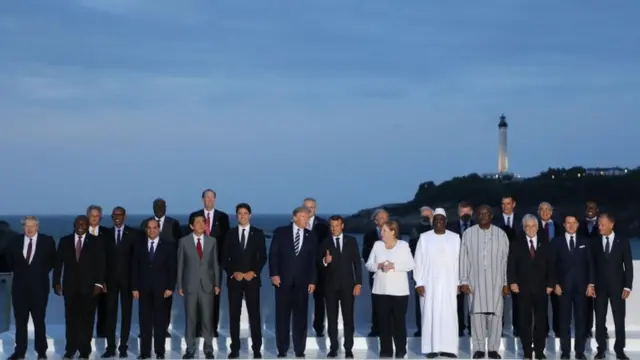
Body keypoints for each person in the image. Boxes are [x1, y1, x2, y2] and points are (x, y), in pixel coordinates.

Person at [459, 205, 510, 359]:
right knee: (476, 315)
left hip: (497, 281)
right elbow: (463, 259)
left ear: (492, 216)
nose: (483, 216)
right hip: (475, 281)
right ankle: (479, 348)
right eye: (480, 213)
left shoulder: (501, 234)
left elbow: (506, 260)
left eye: (486, 213)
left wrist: (506, 283)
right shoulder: (468, 234)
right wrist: (463, 280)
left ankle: (493, 348)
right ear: (476, 215)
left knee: (496, 315)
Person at [53, 215, 105, 360]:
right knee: (71, 320)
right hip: (70, 288)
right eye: (78, 223)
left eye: (84, 224)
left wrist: (99, 284)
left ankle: (84, 351)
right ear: (74, 225)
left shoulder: (95, 242)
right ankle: (70, 350)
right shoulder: (65, 241)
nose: (81, 226)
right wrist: (56, 282)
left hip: (89, 289)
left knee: (87, 321)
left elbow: (101, 264)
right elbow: (58, 264)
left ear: (88, 225)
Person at [269, 206, 318, 358]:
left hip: (302, 283)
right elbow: (274, 255)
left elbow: (313, 261)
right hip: (282, 282)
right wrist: (274, 274)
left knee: (301, 318)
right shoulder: (281, 232)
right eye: (303, 217)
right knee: (282, 317)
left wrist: (312, 280)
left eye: (307, 217)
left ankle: (299, 350)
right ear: (295, 217)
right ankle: (282, 349)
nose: (306, 220)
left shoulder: (312, 236)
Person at [5, 216, 56, 360]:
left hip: (39, 288)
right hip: (19, 288)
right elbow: (9, 260)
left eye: (32, 226)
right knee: (20, 321)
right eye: (26, 226)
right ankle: (20, 352)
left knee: (39, 320)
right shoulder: (15, 242)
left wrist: (38, 273)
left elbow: (52, 261)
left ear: (37, 226)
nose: (29, 229)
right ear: (23, 227)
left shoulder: (47, 241)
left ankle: (41, 352)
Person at [221, 203, 267, 359]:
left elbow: (262, 257)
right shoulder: (230, 234)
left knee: (254, 315)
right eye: (239, 213)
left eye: (245, 213)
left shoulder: (258, 233)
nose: (242, 216)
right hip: (235, 281)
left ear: (250, 215)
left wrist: (253, 272)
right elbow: (224, 258)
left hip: (252, 281)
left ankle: (256, 349)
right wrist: (233, 273)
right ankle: (235, 349)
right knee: (234, 315)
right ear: (236, 215)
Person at [507, 214, 555, 360]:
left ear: (537, 227)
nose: (531, 229)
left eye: (533, 226)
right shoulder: (516, 244)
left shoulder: (545, 243)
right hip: (522, 288)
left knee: (541, 321)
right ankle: (527, 351)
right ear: (523, 228)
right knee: (524, 322)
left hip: (541, 288)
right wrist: (512, 282)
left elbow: (551, 266)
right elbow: (511, 266)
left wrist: (551, 284)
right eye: (527, 226)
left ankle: (540, 352)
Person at [415, 208, 460, 359]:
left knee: (449, 315)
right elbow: (418, 262)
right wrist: (419, 282)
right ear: (432, 222)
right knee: (430, 316)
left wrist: (459, 282)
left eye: (441, 220)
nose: (439, 222)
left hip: (450, 283)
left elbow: (460, 262)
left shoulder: (455, 238)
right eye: (436, 220)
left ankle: (449, 348)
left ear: (446, 222)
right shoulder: (424, 238)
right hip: (429, 284)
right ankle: (431, 348)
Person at [132, 219, 177, 359]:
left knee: (160, 322)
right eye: (149, 228)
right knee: (144, 322)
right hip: (143, 289)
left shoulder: (168, 246)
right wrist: (134, 287)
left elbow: (173, 269)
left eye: (154, 228)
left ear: (159, 229)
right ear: (146, 230)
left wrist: (170, 287)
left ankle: (160, 352)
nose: (152, 230)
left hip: (162, 290)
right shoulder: (139, 246)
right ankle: (144, 352)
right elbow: (134, 268)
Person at [177, 215, 220, 359]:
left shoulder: (212, 241)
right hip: (190, 285)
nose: (201, 224)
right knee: (190, 318)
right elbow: (180, 265)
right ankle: (190, 349)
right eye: (197, 222)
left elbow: (215, 264)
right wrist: (180, 285)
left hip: (208, 285)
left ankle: (208, 348)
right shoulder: (184, 242)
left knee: (208, 318)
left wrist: (217, 284)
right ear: (191, 226)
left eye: (203, 222)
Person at [552, 215, 595, 360]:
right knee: (564, 320)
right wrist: (555, 284)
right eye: (568, 223)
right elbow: (552, 266)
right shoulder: (556, 242)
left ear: (577, 225)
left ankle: (579, 352)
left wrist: (591, 283)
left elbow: (591, 264)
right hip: (562, 288)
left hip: (582, 288)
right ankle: (565, 351)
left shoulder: (585, 242)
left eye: (573, 223)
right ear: (564, 225)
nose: (571, 225)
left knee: (581, 320)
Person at [189, 189, 230, 337]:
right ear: (202, 200)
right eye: (207, 197)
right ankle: (198, 327)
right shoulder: (194, 216)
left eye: (212, 198)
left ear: (215, 199)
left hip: (215, 264)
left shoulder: (223, 217)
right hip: (197, 263)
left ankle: (212, 327)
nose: (210, 200)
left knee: (214, 296)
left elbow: (226, 241)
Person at [321, 215, 362, 358]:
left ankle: (348, 348)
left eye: (336, 225)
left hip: (348, 286)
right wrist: (325, 261)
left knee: (348, 318)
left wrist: (358, 283)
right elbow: (318, 264)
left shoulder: (351, 241)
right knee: (331, 319)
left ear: (342, 226)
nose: (334, 228)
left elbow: (357, 263)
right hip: (330, 287)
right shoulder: (325, 242)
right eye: (331, 226)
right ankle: (333, 348)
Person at [593, 213, 633, 360]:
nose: (600, 227)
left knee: (619, 319)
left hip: (618, 288)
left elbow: (628, 265)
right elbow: (592, 265)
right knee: (599, 319)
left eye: (603, 224)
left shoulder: (622, 241)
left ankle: (619, 349)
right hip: (599, 288)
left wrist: (628, 286)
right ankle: (601, 349)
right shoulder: (595, 241)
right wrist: (591, 284)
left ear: (611, 224)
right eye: (599, 224)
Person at [141, 198, 182, 337]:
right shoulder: (145, 223)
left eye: (162, 206)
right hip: (149, 270)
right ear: (153, 208)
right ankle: (147, 329)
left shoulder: (174, 223)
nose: (159, 208)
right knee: (147, 305)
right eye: (156, 206)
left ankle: (163, 329)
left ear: (166, 207)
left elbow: (179, 244)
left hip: (166, 269)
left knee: (165, 303)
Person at [102, 206, 139, 358]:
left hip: (128, 281)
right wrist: (101, 281)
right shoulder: (106, 234)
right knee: (109, 314)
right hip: (109, 282)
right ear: (111, 217)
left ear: (125, 216)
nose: (117, 217)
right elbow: (102, 259)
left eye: (120, 214)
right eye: (115, 215)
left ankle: (123, 346)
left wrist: (136, 284)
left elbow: (136, 260)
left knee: (126, 314)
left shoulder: (134, 234)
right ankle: (110, 347)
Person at [493, 195, 521, 336]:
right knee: (499, 298)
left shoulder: (521, 221)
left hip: (517, 264)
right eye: (503, 204)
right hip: (499, 263)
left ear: (513, 204)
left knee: (518, 298)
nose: (505, 206)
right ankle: (500, 328)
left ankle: (517, 327)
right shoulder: (495, 221)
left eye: (508, 203)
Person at [302, 197, 331, 336]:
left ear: (316, 208)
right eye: (306, 207)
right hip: (300, 266)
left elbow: (328, 246)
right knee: (299, 298)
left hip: (319, 267)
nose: (309, 209)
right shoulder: (296, 223)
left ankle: (318, 327)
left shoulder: (324, 225)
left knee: (319, 299)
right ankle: (300, 326)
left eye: (311, 207)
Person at [447, 201, 473, 337]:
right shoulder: (450, 228)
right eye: (463, 212)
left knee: (473, 301)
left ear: (472, 213)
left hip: (473, 270)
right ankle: (459, 328)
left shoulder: (477, 226)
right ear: (458, 213)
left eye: (468, 211)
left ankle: (473, 328)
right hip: (455, 270)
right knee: (457, 302)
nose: (465, 214)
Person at [361, 208, 388, 337]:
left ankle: (389, 328)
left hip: (391, 274)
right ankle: (376, 327)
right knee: (376, 301)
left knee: (390, 301)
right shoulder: (369, 234)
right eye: (381, 218)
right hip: (375, 273)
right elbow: (365, 254)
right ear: (375, 221)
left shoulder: (394, 233)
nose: (383, 221)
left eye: (385, 218)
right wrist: (376, 266)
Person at [537, 201, 562, 337]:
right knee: (541, 304)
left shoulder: (559, 227)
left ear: (552, 212)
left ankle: (558, 330)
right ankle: (543, 330)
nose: (545, 212)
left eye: (548, 209)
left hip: (556, 270)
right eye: (542, 209)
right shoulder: (533, 227)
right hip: (540, 271)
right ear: (538, 212)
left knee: (557, 303)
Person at [409, 206, 433, 336]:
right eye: (423, 215)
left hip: (435, 272)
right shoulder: (415, 230)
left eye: (428, 215)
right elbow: (412, 249)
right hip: (420, 270)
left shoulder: (438, 229)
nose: (425, 218)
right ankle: (421, 328)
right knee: (420, 302)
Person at [86, 204, 110, 339]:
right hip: (85, 280)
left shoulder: (107, 233)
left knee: (104, 310)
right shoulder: (81, 231)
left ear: (100, 217)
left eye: (97, 216)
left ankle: (102, 337)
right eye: (92, 216)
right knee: (86, 311)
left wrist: (104, 280)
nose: (94, 218)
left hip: (104, 280)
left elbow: (110, 258)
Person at [579, 200, 600, 338]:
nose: (589, 209)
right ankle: (587, 328)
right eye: (587, 207)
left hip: (600, 269)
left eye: (592, 207)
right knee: (585, 302)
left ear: (597, 209)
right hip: (583, 269)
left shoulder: (603, 224)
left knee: (599, 303)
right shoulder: (579, 226)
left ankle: (600, 329)